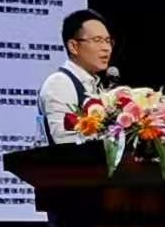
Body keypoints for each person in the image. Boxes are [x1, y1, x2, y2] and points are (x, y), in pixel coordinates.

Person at [37, 9, 115, 145]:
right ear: (73, 46)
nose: (106, 48)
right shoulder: (59, 83)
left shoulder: (96, 85)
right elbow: (65, 142)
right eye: (97, 40)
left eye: (108, 41)